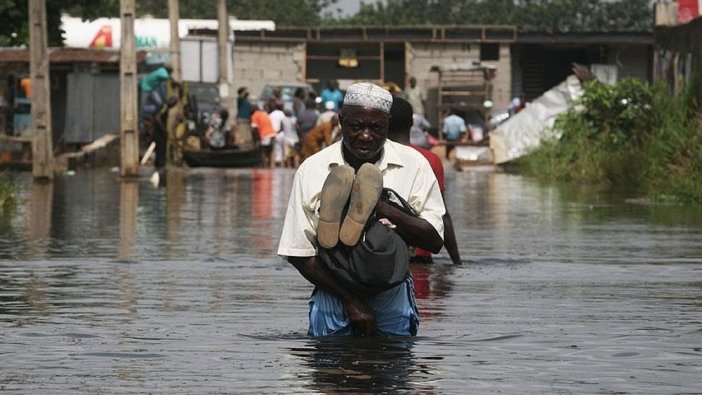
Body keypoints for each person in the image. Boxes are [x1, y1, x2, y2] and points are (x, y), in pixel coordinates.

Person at [278, 82, 446, 337]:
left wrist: (383, 209)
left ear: (388, 125)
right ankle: (342, 221)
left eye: (376, 128)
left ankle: (371, 209)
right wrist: (350, 300)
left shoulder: (414, 165)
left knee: (385, 368)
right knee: (336, 371)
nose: (366, 135)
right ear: (341, 121)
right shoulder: (313, 168)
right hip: (335, 289)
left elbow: (434, 241)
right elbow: (298, 253)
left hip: (391, 287)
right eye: (356, 127)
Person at [388, 97, 462, 265]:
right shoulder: (430, 159)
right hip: (420, 255)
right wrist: (456, 261)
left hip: (381, 253)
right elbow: (443, 214)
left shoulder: (374, 156)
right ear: (411, 124)